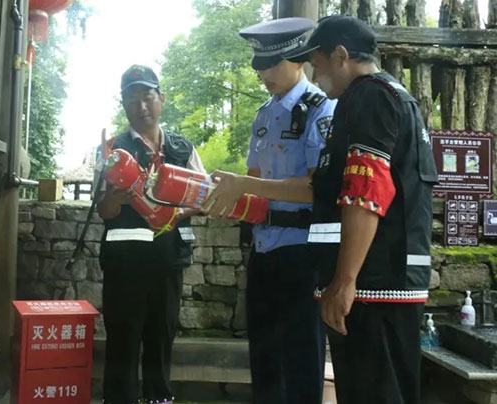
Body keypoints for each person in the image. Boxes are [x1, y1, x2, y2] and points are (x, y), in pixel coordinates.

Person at [206, 16, 438, 404]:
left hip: (374, 280)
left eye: (317, 63)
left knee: (367, 388)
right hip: (383, 277)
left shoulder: (369, 97)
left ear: (342, 56)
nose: (315, 74)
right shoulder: (394, 97)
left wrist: (344, 280)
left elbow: (365, 191)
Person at [208, 18, 336, 404]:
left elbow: (316, 189)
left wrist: (244, 185)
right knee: (264, 360)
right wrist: (220, 199)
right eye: (259, 66)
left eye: (272, 64)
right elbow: (252, 184)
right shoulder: (264, 115)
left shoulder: (321, 110)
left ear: (298, 60)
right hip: (263, 250)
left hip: (302, 253)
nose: (263, 73)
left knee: (299, 363)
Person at [97, 64, 205, 404]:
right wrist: (115, 198)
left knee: (161, 341)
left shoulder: (181, 148)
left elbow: (204, 198)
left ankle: (160, 399)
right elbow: (102, 211)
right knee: (122, 345)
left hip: (167, 263)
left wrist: (170, 212)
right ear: (123, 105)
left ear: (162, 99)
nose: (141, 106)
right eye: (132, 100)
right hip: (123, 267)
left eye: (148, 97)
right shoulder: (112, 150)